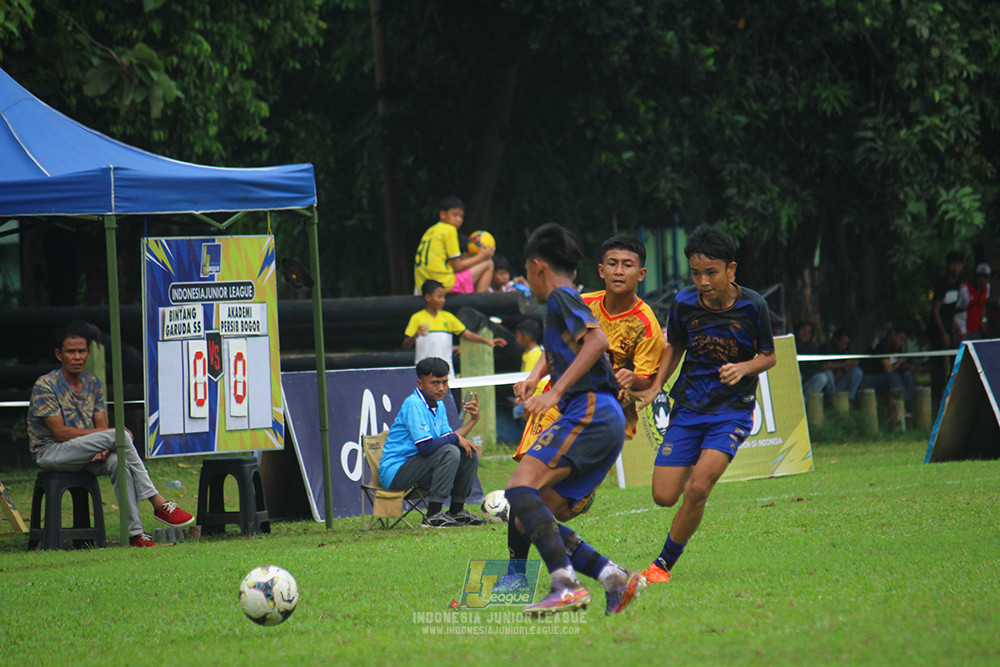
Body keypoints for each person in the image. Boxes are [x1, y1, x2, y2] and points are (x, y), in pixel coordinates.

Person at [505, 223, 646, 617]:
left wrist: (554, 391)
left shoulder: (559, 299)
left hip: (590, 408)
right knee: (530, 514)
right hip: (602, 416)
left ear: (537, 267)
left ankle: (565, 584)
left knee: (519, 487)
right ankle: (613, 577)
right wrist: (535, 377)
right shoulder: (568, 299)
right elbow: (563, 348)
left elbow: (596, 341)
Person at [633, 224, 776, 584]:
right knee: (664, 496)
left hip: (732, 411)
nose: (703, 281)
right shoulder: (683, 303)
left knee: (697, 489)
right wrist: (655, 387)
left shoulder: (754, 305)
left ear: (731, 269)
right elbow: (675, 347)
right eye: (696, 273)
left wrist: (743, 367)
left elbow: (769, 357)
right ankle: (697, 465)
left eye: (711, 272)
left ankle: (661, 565)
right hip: (689, 408)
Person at [26, 322, 195, 547]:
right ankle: (158, 502)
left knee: (118, 460)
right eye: (71, 352)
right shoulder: (46, 385)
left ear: (88, 353)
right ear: (59, 354)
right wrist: (106, 438)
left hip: (82, 453)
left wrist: (104, 447)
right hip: (51, 452)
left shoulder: (92, 383)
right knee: (121, 436)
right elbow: (60, 432)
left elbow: (101, 423)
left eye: (82, 351)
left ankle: (134, 535)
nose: (77, 357)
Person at [378, 357, 484, 528]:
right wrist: (455, 439)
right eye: (435, 383)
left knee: (467, 451)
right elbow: (426, 447)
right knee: (451, 451)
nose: (441, 388)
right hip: (396, 473)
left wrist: (473, 420)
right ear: (420, 384)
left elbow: (450, 437)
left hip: (419, 467)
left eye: (444, 382)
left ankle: (457, 511)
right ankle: (433, 515)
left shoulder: (438, 404)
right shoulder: (413, 404)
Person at [402, 279, 506, 377]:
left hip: (446, 372)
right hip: (424, 373)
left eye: (444, 297)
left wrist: (487, 341)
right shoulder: (417, 318)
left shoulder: (448, 317)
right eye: (439, 296)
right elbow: (405, 345)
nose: (442, 300)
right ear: (428, 297)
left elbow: (467, 334)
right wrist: (416, 335)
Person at [413, 196, 494, 294]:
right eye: (455, 215)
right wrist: (481, 257)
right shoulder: (449, 230)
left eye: (461, 216)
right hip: (443, 284)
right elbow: (458, 266)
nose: (459, 220)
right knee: (488, 263)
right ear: (443, 214)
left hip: (424, 285)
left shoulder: (431, 231)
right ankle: (480, 301)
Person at [926, 251, 965, 410]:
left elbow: (952, 312)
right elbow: (936, 311)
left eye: (958, 265)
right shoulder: (942, 285)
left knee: (953, 364)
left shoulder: (957, 286)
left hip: (950, 329)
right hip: (938, 332)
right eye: (953, 265)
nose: (955, 268)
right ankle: (937, 401)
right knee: (939, 368)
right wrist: (943, 332)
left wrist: (957, 330)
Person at [859, 327, 916, 409]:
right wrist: (899, 362)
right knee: (893, 376)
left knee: (908, 374)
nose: (902, 344)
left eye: (904, 342)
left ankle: (914, 402)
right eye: (901, 339)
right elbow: (888, 370)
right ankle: (905, 404)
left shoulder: (897, 348)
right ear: (893, 335)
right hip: (868, 378)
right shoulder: (882, 345)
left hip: (883, 377)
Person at [813, 328, 864, 401]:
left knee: (857, 372)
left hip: (840, 382)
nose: (845, 346)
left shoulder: (845, 351)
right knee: (828, 373)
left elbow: (852, 363)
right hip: (827, 387)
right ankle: (832, 400)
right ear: (836, 340)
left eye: (847, 343)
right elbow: (824, 366)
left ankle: (850, 398)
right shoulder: (824, 349)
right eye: (843, 343)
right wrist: (842, 365)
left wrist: (848, 366)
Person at [954, 263, 992, 343]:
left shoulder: (987, 288)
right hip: (963, 329)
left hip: (976, 329)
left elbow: (983, 304)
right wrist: (957, 329)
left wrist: (984, 320)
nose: (982, 279)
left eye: (985, 277)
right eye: (980, 276)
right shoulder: (965, 289)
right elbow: (953, 309)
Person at [794, 320, 825, 396]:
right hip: (792, 381)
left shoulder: (811, 348)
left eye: (809, 332)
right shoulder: (790, 345)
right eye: (803, 330)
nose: (805, 334)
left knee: (822, 377)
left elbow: (815, 368)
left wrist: (805, 375)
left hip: (806, 382)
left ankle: (807, 401)